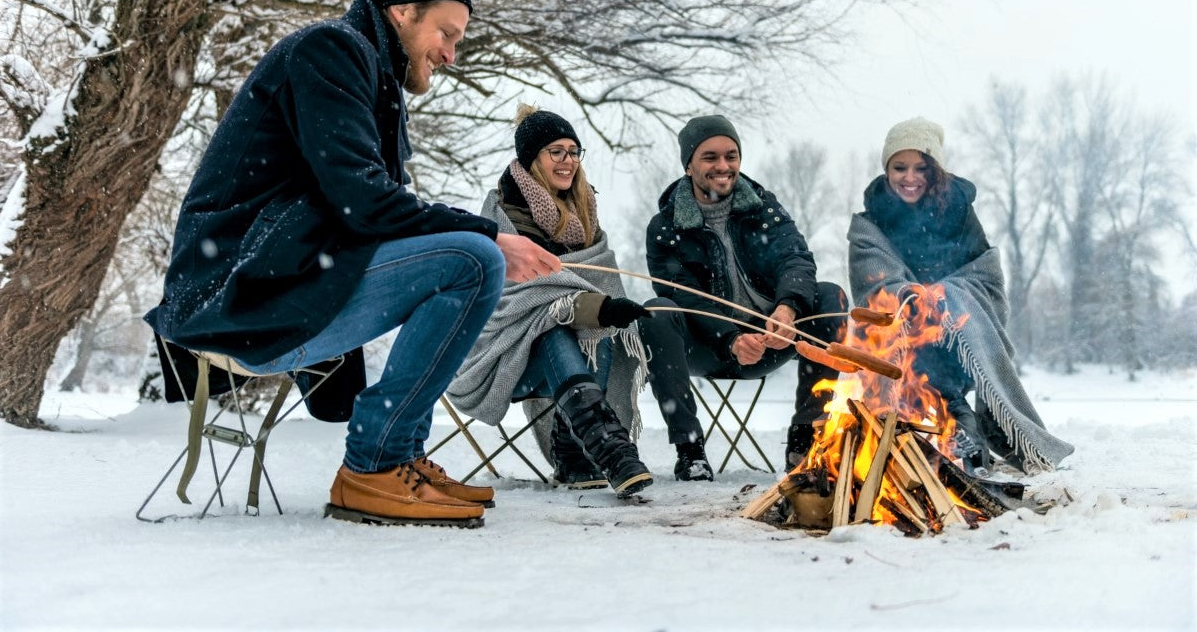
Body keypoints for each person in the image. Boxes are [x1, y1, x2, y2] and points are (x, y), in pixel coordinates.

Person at [145, 0, 560, 527]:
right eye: (445, 33)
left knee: (469, 256)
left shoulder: (368, 74)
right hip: (237, 295)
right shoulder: (331, 50)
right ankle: (376, 464)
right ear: (400, 11)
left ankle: (401, 459)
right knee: (472, 259)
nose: (449, 54)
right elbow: (363, 201)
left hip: (280, 285)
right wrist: (491, 233)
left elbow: (369, 205)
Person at [446, 106, 654, 498]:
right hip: (505, 357)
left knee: (599, 332)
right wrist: (593, 306)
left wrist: (602, 310)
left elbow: (591, 281)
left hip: (566, 364)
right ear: (532, 159)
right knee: (549, 331)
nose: (568, 161)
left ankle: (574, 453)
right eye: (555, 151)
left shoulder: (587, 217)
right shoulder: (502, 218)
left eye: (574, 151)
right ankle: (609, 446)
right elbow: (518, 304)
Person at [847, 117, 1073, 473]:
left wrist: (945, 295)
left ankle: (964, 426)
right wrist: (911, 296)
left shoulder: (958, 212)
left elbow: (984, 276)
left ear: (935, 170)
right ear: (886, 169)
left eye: (921, 167)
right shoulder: (870, 223)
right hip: (900, 336)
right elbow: (872, 281)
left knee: (941, 318)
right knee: (911, 327)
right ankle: (952, 429)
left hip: (954, 333)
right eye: (899, 167)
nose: (910, 177)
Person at [639, 115, 848, 480]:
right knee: (656, 312)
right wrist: (731, 339)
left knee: (830, 296)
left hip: (772, 338)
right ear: (689, 165)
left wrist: (787, 308)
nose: (723, 166)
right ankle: (690, 451)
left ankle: (806, 440)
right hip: (707, 346)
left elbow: (795, 258)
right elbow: (682, 294)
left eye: (731, 155)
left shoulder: (764, 209)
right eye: (710, 157)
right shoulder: (666, 227)